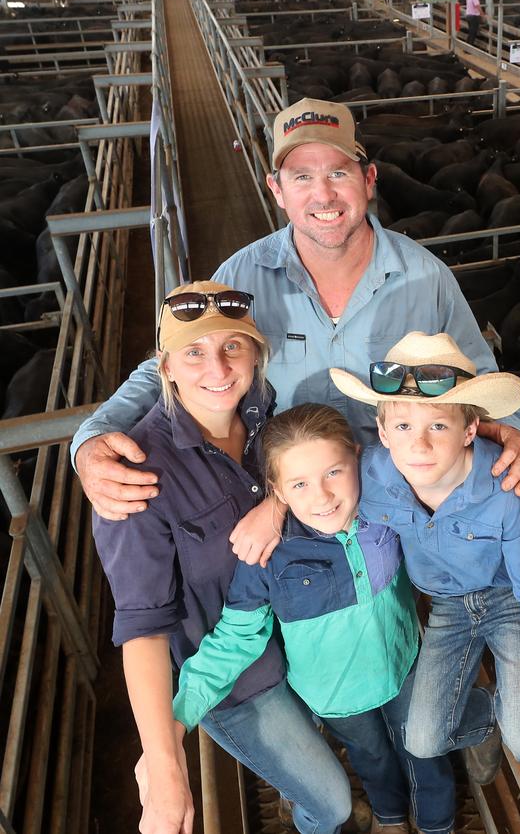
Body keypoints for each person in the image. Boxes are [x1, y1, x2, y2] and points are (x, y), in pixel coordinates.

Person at [72, 98, 520, 558]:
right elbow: (175, 364)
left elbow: (478, 376)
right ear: (277, 189)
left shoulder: (426, 277)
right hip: (288, 512)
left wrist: (509, 429)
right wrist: (92, 437)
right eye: (302, 177)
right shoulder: (240, 278)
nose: (324, 195)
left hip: (406, 507)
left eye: (338, 173)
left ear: (368, 180)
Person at [92, 281, 356, 834]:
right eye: (194, 352)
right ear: (164, 366)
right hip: (236, 672)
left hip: (304, 624)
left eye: (233, 346)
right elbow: (143, 627)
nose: (217, 367)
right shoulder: (137, 476)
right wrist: (163, 762)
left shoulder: (265, 414)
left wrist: (277, 502)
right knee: (332, 803)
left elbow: (303, 476)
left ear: (256, 353)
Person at [330, 332, 520, 830]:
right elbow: (320, 495)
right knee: (422, 739)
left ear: (471, 430)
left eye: (438, 424)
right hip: (446, 607)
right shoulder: (373, 473)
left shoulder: (506, 491)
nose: (418, 444)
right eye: (402, 423)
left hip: (509, 601)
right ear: (382, 428)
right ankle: (491, 719)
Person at [173, 403, 458, 834]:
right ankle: (392, 816)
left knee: (425, 747)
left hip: (403, 663)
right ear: (277, 491)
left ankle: (438, 824)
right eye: (300, 483)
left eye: (333, 472)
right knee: (371, 756)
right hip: (335, 695)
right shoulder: (266, 555)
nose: (321, 496)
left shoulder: (385, 510)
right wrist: (176, 719)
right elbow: (237, 637)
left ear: (358, 459)